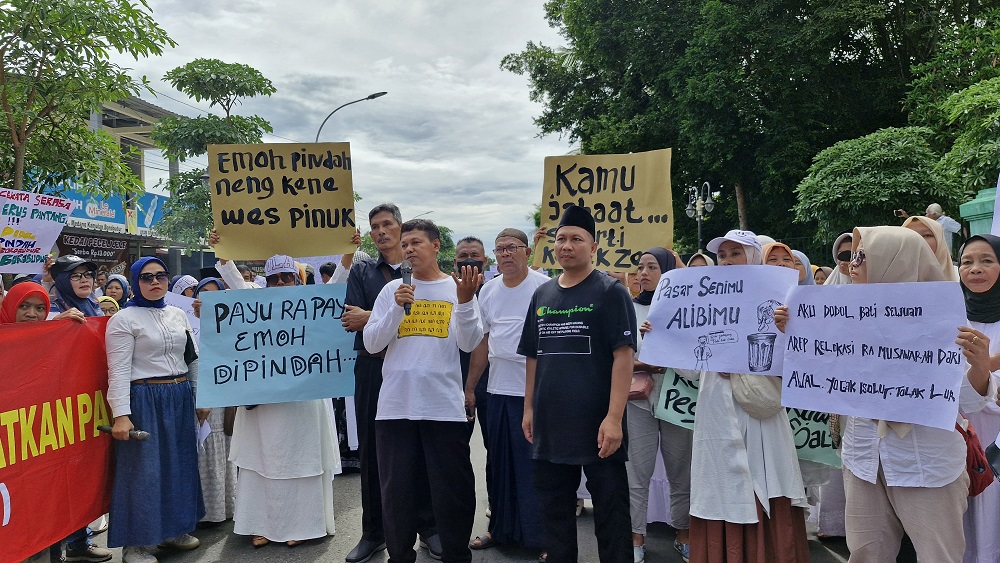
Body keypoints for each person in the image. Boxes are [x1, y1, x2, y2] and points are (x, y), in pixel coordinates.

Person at [778, 226, 994, 562]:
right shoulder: (838, 317)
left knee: (939, 555)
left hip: (926, 461)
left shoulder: (944, 318)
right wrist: (793, 332)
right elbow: (820, 377)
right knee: (866, 553)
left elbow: (967, 402)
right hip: (863, 455)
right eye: (850, 256)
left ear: (895, 261)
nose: (852, 264)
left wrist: (979, 366)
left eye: (862, 256)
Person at [680, 230, 809, 563]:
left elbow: (797, 362)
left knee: (761, 482)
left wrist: (785, 333)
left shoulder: (780, 302)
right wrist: (668, 339)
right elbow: (692, 371)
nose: (727, 261)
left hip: (759, 415)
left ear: (753, 257)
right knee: (721, 488)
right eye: (722, 255)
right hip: (716, 413)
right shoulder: (704, 305)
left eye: (735, 253)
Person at [517, 205, 636, 563]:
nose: (566, 245)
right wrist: (529, 408)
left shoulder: (611, 291)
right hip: (551, 426)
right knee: (555, 516)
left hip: (599, 427)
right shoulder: (543, 295)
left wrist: (614, 418)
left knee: (611, 515)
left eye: (576, 239)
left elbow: (624, 356)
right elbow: (533, 356)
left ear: (593, 246)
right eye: (561, 239)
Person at [203, 242, 341, 548]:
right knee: (262, 462)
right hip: (263, 403)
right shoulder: (254, 303)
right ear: (267, 281)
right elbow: (234, 280)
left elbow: (338, 283)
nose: (280, 283)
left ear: (296, 279)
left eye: (286, 278)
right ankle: (261, 523)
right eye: (274, 278)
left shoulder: (312, 303)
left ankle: (303, 526)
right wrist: (222, 247)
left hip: (303, 401)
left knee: (302, 462)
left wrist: (347, 250)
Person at [363, 219, 484, 563]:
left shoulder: (457, 289)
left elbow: (470, 341)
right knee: (396, 492)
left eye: (416, 242)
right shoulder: (392, 291)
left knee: (452, 491)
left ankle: (456, 553)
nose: (409, 250)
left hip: (442, 407)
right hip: (396, 407)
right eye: (405, 245)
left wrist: (463, 302)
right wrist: (394, 313)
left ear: (435, 246)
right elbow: (372, 343)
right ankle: (400, 555)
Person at [343, 204, 441, 563]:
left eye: (387, 224)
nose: (381, 231)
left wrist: (377, 317)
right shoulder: (363, 270)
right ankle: (374, 532)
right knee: (374, 454)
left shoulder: (424, 270)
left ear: (401, 228)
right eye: (374, 227)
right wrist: (383, 316)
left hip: (420, 368)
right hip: (373, 370)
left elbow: (436, 316)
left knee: (424, 448)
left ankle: (429, 528)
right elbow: (352, 319)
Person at [106, 257, 204, 563]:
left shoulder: (178, 314)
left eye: (161, 276)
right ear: (136, 281)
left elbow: (193, 359)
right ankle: (135, 544)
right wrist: (121, 413)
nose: (155, 282)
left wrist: (201, 398)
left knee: (180, 463)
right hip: (145, 397)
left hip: (179, 394)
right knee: (144, 471)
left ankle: (175, 531)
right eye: (147, 277)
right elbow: (118, 370)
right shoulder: (123, 319)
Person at [0, 283, 100, 561]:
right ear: (9, 306)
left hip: (40, 446)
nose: (32, 314)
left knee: (44, 512)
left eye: (40, 308)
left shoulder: (50, 335)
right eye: (24, 306)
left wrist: (58, 331)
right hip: (8, 452)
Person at [465, 228, 549, 554]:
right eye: (500, 249)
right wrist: (470, 387)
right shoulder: (487, 291)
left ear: (527, 251)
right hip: (497, 391)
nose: (506, 254)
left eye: (512, 247)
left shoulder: (545, 287)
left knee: (534, 467)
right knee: (498, 464)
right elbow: (483, 343)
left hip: (535, 393)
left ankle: (541, 539)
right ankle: (499, 530)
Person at [625, 248, 694, 563]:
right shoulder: (626, 309)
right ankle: (636, 537)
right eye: (640, 267)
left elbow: (695, 364)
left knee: (681, 472)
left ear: (667, 273)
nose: (644, 273)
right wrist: (643, 360)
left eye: (652, 266)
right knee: (636, 471)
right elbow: (615, 358)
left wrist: (668, 340)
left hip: (677, 401)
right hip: (637, 401)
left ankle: (683, 533)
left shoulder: (687, 310)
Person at [958, 234, 1000, 563]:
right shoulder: (949, 318)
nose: (975, 269)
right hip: (956, 442)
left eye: (987, 260)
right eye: (967, 261)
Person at [454, 236, 492, 504]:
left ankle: (497, 506)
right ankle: (457, 508)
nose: (469, 259)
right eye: (463, 255)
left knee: (496, 448)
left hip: (490, 380)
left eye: (474, 255)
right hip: (455, 380)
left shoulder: (493, 291)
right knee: (455, 450)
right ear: (454, 261)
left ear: (485, 261)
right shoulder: (447, 290)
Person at [902, 215, 960, 281]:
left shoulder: (962, 276)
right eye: (911, 235)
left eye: (926, 235)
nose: (919, 240)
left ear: (939, 239)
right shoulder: (892, 276)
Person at [897, 203, 963, 257]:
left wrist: (966, 241)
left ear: (934, 214)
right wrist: (906, 216)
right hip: (931, 254)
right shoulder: (928, 222)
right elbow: (917, 226)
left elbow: (960, 229)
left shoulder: (946, 220)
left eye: (928, 213)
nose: (926, 215)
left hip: (944, 254)